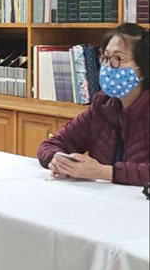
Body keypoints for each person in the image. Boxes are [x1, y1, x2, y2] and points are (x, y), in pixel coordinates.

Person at [38, 23, 149, 186]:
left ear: (144, 68)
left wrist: (102, 172)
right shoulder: (103, 103)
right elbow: (51, 144)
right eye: (106, 57)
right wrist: (57, 160)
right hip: (102, 197)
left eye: (118, 58)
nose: (108, 66)